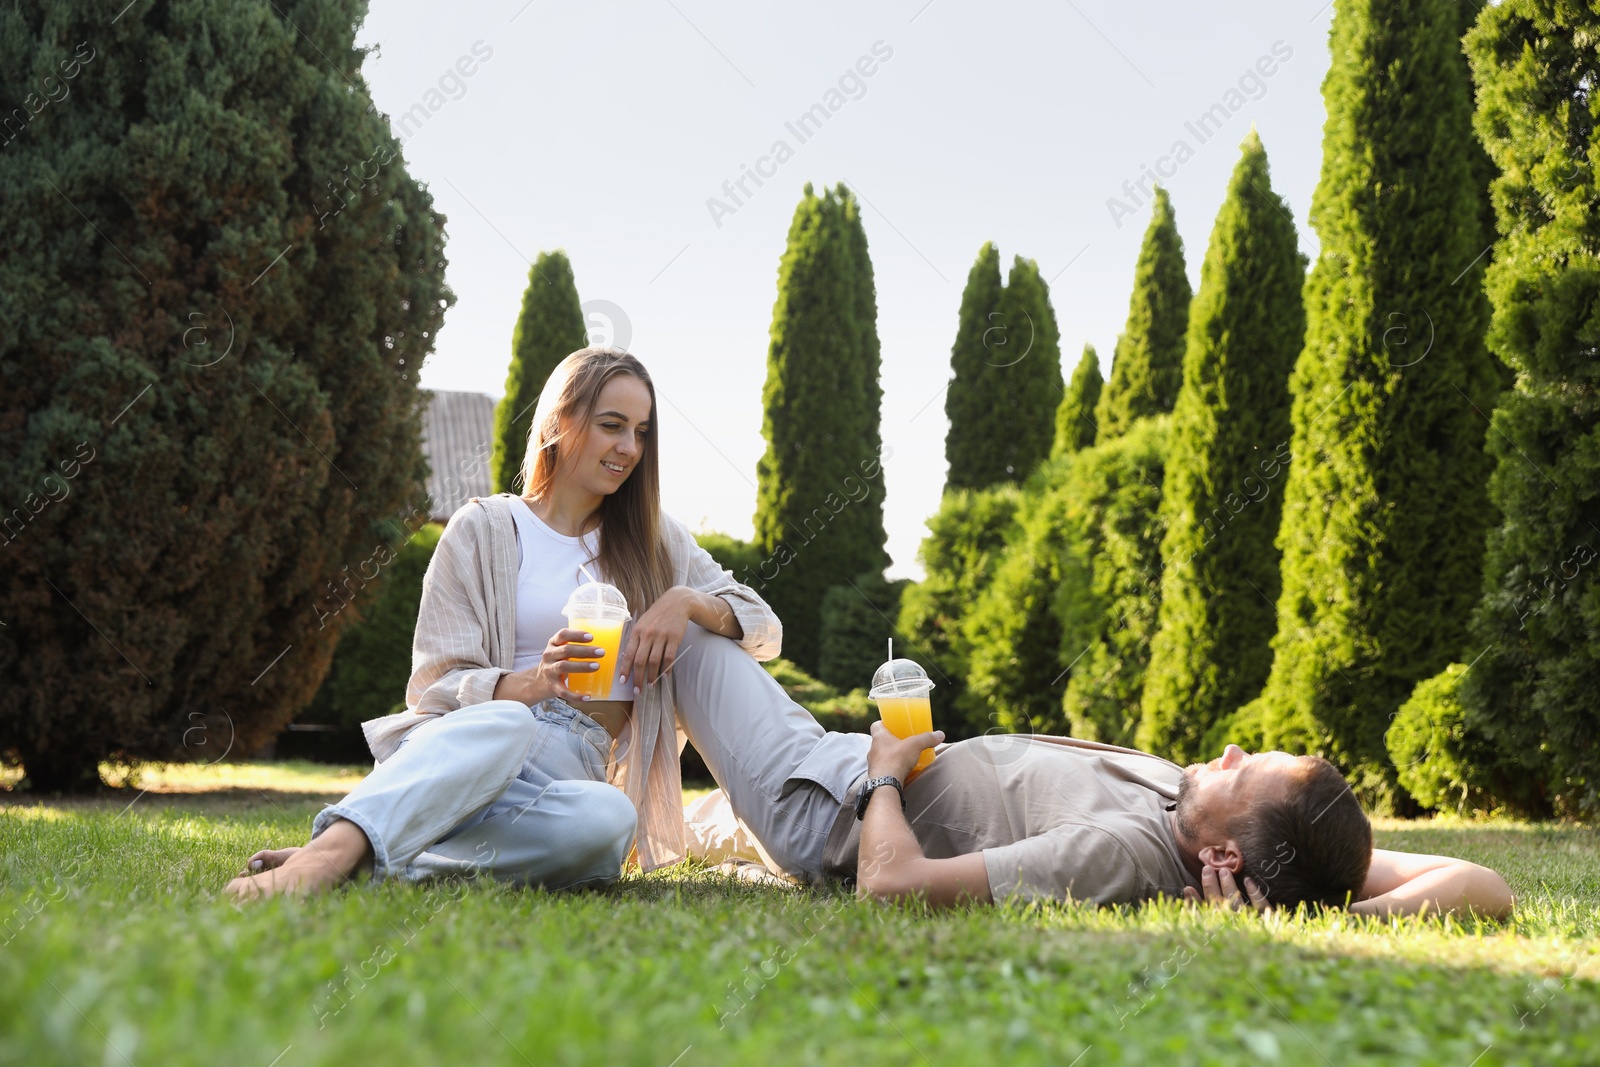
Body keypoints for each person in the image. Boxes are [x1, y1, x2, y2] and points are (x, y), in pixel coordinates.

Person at [225, 346, 794, 899]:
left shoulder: (655, 540)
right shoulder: (481, 529)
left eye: (641, 432)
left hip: (573, 770)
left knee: (607, 820)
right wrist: (528, 686)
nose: (629, 447)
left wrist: (687, 602)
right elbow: (432, 686)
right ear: (559, 422)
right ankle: (327, 856)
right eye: (612, 425)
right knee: (508, 725)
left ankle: (376, 862)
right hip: (478, 747)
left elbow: (764, 627)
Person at [835, 723, 1516, 917]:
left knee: (722, 651)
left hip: (840, 791)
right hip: (875, 767)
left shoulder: (1123, 851)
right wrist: (1338, 913)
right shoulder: (1306, 849)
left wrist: (884, 773)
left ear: (1228, 856)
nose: (1229, 751)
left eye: (1240, 772)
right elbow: (1484, 882)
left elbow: (893, 886)